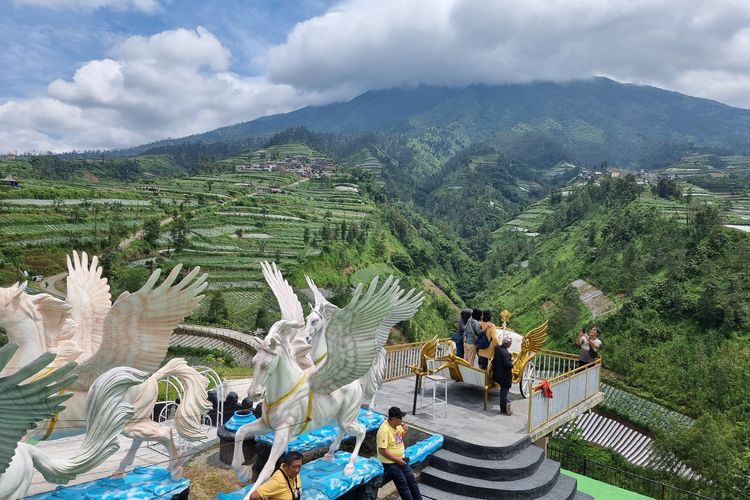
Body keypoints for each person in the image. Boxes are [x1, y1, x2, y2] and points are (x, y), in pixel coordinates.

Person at [377, 406, 422, 500]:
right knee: (403, 483)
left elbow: (400, 438)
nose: (402, 419)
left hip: (401, 459)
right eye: (400, 417)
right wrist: (396, 460)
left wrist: (405, 431)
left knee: (411, 480)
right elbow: (382, 450)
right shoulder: (384, 429)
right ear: (393, 418)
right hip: (389, 462)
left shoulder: (398, 425)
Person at [492, 336, 514, 415]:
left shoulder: (497, 348)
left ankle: (505, 406)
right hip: (504, 376)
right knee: (504, 393)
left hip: (497, 374)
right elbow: (507, 364)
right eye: (510, 343)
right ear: (507, 344)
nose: (511, 344)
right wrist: (512, 364)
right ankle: (503, 409)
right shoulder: (506, 353)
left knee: (504, 393)